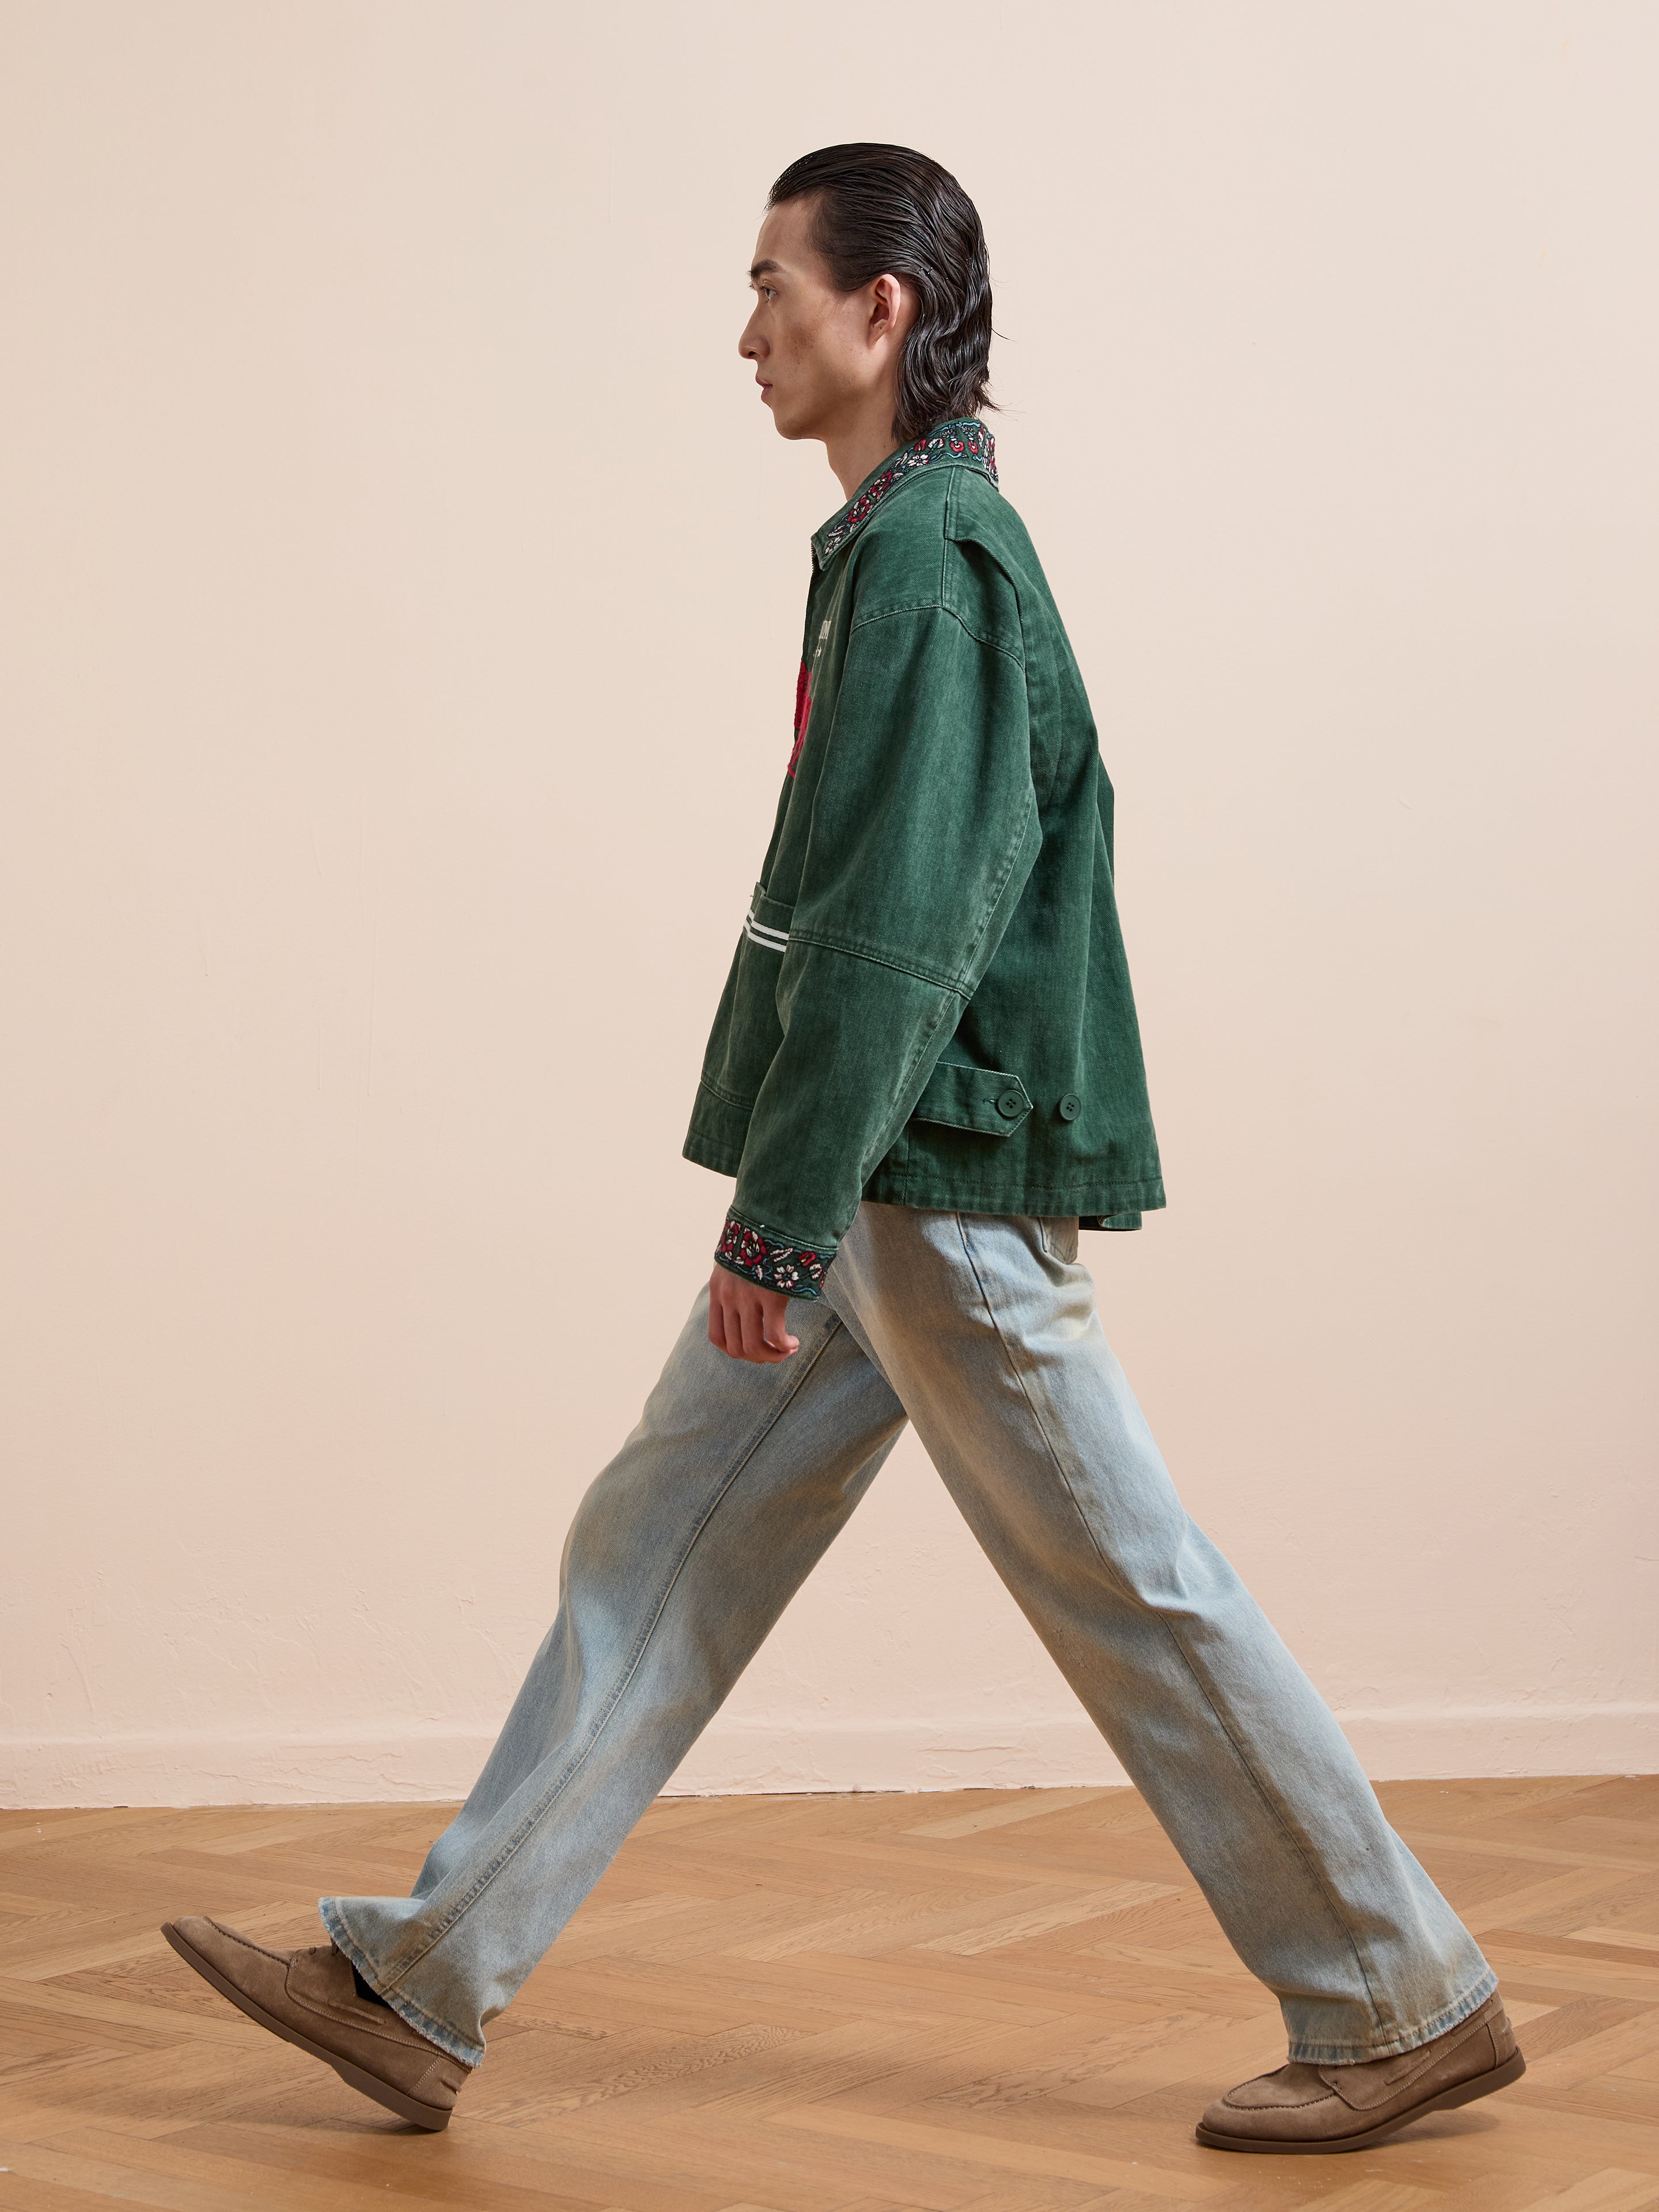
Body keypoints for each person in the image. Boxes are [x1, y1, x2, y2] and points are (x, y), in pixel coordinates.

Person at [162, 142, 1523, 2154]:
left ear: (882, 310)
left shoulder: (931, 562)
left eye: (775, 287)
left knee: (1130, 1585)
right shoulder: (899, 544)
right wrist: (797, 1214)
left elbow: (899, 925)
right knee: (659, 1552)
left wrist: (784, 1228)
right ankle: (424, 1984)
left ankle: (1402, 1997)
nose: (748, 332)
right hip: (879, 1188)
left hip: (933, 1190)